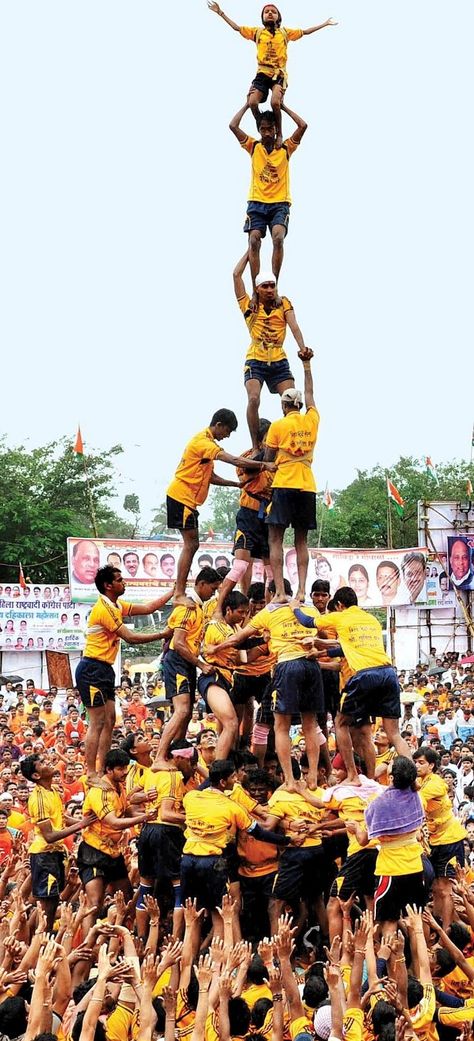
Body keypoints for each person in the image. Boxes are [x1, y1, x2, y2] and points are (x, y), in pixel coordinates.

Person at [293, 586, 412, 783]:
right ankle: (412, 777)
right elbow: (346, 648)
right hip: (388, 672)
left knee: (340, 723)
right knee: (394, 733)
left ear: (338, 605)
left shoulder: (340, 616)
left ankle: (353, 776)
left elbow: (306, 621)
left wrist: (295, 606)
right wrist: (320, 652)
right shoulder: (371, 619)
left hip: (363, 676)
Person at [205, 597, 324, 789]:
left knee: (281, 726)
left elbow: (237, 639)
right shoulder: (310, 611)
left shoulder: (269, 612)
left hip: (287, 665)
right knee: (310, 725)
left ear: (272, 593)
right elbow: (324, 635)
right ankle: (312, 779)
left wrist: (215, 648)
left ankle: (290, 780)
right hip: (311, 666)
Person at [75, 565, 173, 781]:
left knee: (110, 720)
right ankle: (91, 772)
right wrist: (162, 634)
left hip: (105, 669)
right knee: (97, 722)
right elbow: (130, 637)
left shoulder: (116, 604)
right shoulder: (104, 608)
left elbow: (148, 608)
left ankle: (103, 768)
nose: (124, 582)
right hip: (92, 668)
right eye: (119, 580)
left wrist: (174, 590)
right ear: (108, 585)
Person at [166, 409, 275, 603]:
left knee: (193, 544)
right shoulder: (204, 443)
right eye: (227, 431)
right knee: (192, 545)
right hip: (182, 496)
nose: (227, 436)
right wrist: (263, 465)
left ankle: (179, 592)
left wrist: (234, 485)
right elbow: (232, 460)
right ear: (218, 425)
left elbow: (211, 476)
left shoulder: (207, 443)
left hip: (189, 500)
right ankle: (179, 593)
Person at [209, 2, 336, 147]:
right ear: (263, 17)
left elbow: (306, 32)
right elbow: (236, 28)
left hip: (278, 74)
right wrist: (220, 12)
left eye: (273, 12)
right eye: (266, 12)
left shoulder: (285, 33)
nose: (270, 13)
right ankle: (262, 129)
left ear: (278, 17)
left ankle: (279, 133)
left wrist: (325, 24)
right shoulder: (257, 32)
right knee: (252, 103)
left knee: (275, 102)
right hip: (262, 73)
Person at [229, 101, 307, 299]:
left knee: (278, 239)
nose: (265, 133)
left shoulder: (285, 149)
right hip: (257, 203)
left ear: (275, 130)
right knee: (254, 241)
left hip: (280, 203)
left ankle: (275, 284)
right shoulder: (254, 147)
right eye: (262, 129)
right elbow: (233, 126)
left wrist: (283, 107)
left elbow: (303, 126)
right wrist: (248, 105)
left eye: (269, 129)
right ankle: (256, 289)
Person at [233, 254, 312, 446]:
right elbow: (236, 275)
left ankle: (290, 442)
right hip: (256, 359)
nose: (269, 289)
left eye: (272, 285)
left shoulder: (283, 302)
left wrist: (302, 348)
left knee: (293, 399)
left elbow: (294, 326)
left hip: (278, 359)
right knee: (253, 399)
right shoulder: (249, 305)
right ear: (257, 289)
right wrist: (250, 250)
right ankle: (255, 445)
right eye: (265, 286)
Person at [77, 748, 158, 932]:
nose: (125, 772)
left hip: (113, 853)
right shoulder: (100, 792)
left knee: (126, 897)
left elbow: (127, 810)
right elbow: (113, 822)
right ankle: (86, 946)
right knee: (95, 903)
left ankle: (122, 935)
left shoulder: (119, 787)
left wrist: (152, 813)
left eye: (125, 768)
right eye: (120, 769)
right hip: (93, 852)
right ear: (108, 770)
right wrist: (143, 818)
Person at [264, 351, 319, 602]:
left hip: (284, 482)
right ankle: (301, 591)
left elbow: (268, 457)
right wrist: (306, 366)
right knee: (301, 541)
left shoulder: (278, 426)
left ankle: (279, 592)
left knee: (275, 538)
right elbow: (311, 396)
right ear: (299, 405)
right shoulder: (312, 420)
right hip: (306, 484)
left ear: (284, 405)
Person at [20, 752, 94, 929]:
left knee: (54, 900)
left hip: (56, 854)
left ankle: (47, 936)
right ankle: (40, 940)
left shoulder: (53, 790)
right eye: (43, 763)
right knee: (46, 903)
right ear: (37, 776)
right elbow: (50, 835)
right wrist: (82, 824)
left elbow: (62, 818)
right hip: (44, 856)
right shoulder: (37, 798)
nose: (49, 762)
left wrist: (89, 824)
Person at [157, 568, 222, 765]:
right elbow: (178, 643)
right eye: (212, 588)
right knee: (183, 710)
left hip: (187, 662)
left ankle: (177, 751)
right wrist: (201, 664)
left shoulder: (200, 608)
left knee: (186, 713)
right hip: (177, 660)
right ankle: (160, 756)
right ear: (201, 584)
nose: (214, 592)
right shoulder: (188, 607)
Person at [413, 745, 467, 926]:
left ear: (432, 765)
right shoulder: (423, 781)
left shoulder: (435, 783)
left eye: (421, 763)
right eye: (415, 762)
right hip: (435, 841)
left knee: (445, 890)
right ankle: (438, 925)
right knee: (435, 888)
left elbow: (417, 801)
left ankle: (447, 931)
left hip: (450, 839)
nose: (417, 766)